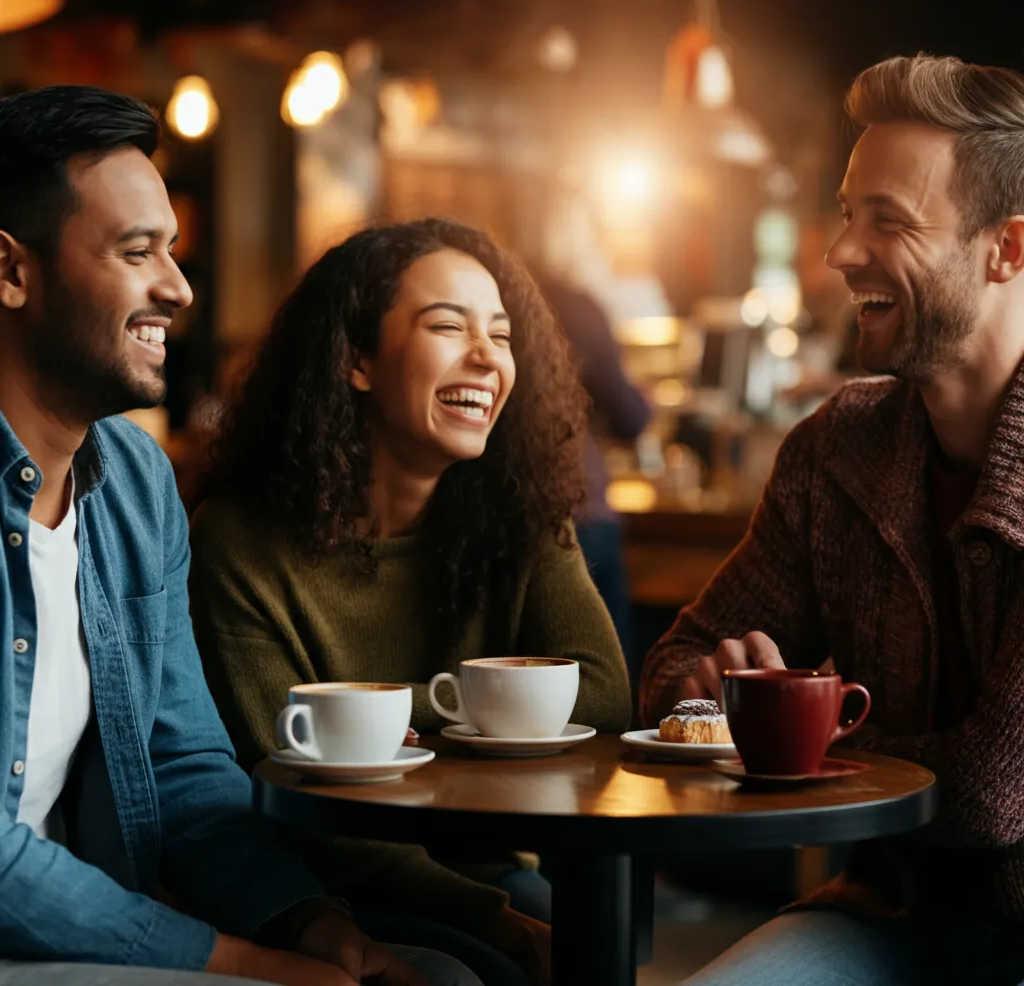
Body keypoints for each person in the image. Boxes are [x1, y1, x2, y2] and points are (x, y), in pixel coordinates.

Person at [0, 85, 481, 986]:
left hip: (86, 937)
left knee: (440, 976)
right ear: (11, 272)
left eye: (172, 250)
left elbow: (184, 765)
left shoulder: (136, 487)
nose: (177, 287)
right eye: (136, 251)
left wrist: (307, 925)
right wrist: (238, 961)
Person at [641, 54, 1024, 986]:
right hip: (893, 919)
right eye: (848, 214)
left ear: (1007, 248)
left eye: (887, 221)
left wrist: (797, 737)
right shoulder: (838, 446)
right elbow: (665, 679)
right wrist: (706, 690)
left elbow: (992, 792)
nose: (840, 252)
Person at [187, 219, 633, 985]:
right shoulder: (240, 542)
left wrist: (378, 716)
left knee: (588, 933)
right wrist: (493, 917)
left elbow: (603, 692)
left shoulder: (519, 515)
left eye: (501, 333)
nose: (488, 356)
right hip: (314, 887)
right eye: (448, 326)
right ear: (356, 359)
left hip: (483, 865)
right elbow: (283, 780)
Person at [535, 270, 650, 672]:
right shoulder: (574, 304)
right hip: (583, 508)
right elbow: (631, 416)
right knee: (606, 674)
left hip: (503, 511)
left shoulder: (487, 295)